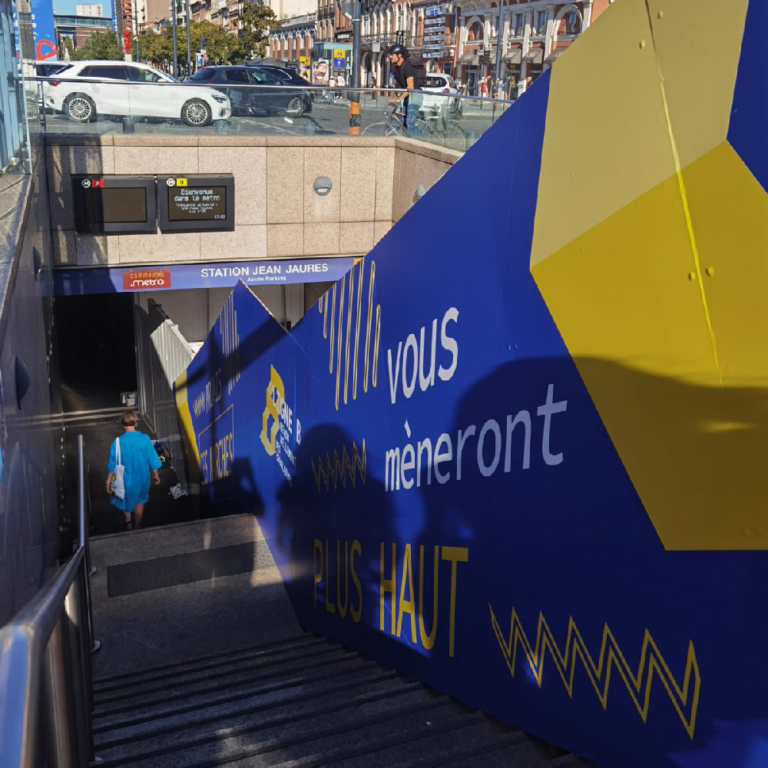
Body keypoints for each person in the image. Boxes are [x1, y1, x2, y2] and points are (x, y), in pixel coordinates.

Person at [106, 409, 162, 531]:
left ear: (122, 423)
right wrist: (156, 475)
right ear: (136, 421)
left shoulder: (117, 442)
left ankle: (128, 521)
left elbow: (112, 462)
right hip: (142, 478)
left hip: (124, 478)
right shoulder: (145, 439)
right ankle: (137, 526)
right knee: (139, 501)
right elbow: (152, 459)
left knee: (124, 497)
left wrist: (108, 480)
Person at [387, 43, 424, 136]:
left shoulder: (407, 66)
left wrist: (399, 99)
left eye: (392, 54)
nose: (390, 57)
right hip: (408, 97)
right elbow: (396, 86)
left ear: (399, 55)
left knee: (410, 123)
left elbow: (410, 87)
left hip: (415, 96)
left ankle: (423, 138)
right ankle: (408, 139)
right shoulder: (397, 68)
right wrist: (393, 98)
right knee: (403, 123)